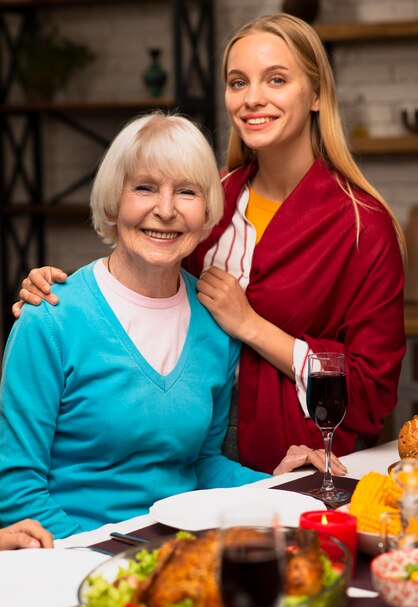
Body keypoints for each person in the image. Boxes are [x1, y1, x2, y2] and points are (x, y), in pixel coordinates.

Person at [12, 13, 405, 476]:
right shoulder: (204, 200)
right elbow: (146, 282)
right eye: (238, 82)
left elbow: (370, 396)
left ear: (316, 94)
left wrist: (251, 325)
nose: (253, 98)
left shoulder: (364, 226)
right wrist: (60, 297)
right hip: (182, 445)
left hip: (290, 456)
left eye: (276, 79)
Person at [0, 112, 276, 540]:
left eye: (186, 192)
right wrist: (100, 560)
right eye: (144, 187)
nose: (164, 210)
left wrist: (286, 492)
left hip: (179, 554)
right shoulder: (49, 318)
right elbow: (17, 490)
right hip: (76, 557)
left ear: (206, 212)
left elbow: (203, 465)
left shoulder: (214, 324)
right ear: (113, 202)